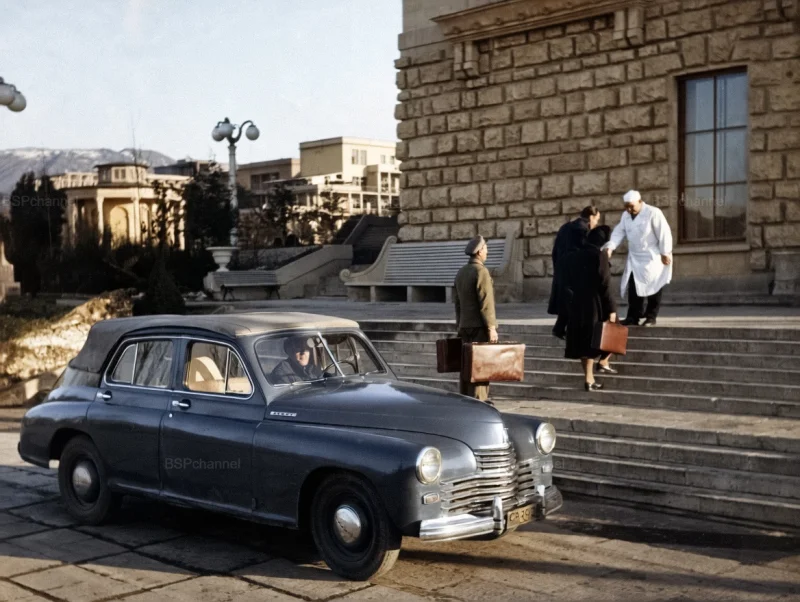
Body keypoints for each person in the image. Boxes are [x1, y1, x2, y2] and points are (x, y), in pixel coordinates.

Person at [604, 190, 673, 327]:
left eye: (632, 206)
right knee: (633, 288)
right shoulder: (626, 216)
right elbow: (619, 232)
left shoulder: (653, 212)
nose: (629, 209)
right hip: (635, 258)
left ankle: (651, 317)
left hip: (652, 258)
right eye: (626, 207)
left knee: (654, 286)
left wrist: (665, 252)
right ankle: (633, 316)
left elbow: (664, 232)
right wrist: (610, 247)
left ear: (640, 202)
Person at [564, 225, 618, 391]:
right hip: (595, 303)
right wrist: (612, 309)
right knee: (608, 335)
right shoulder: (599, 255)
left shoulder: (574, 256)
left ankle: (589, 378)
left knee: (583, 342)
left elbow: (567, 281)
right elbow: (605, 284)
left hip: (577, 303)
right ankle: (602, 362)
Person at [453, 235, 497, 402]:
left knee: (466, 367)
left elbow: (457, 303)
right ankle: (480, 400)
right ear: (479, 252)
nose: (487, 251)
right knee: (481, 366)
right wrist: (491, 328)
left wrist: (459, 325)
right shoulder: (481, 272)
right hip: (479, 327)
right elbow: (486, 303)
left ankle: (466, 399)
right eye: (485, 248)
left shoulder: (461, 272)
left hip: (465, 326)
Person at [549, 206, 601, 339]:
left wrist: (558, 268)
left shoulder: (565, 227)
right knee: (575, 302)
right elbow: (585, 253)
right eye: (597, 219)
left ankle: (559, 328)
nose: (597, 224)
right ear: (591, 217)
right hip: (575, 272)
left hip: (562, 270)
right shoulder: (583, 230)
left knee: (567, 301)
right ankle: (570, 332)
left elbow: (555, 251)